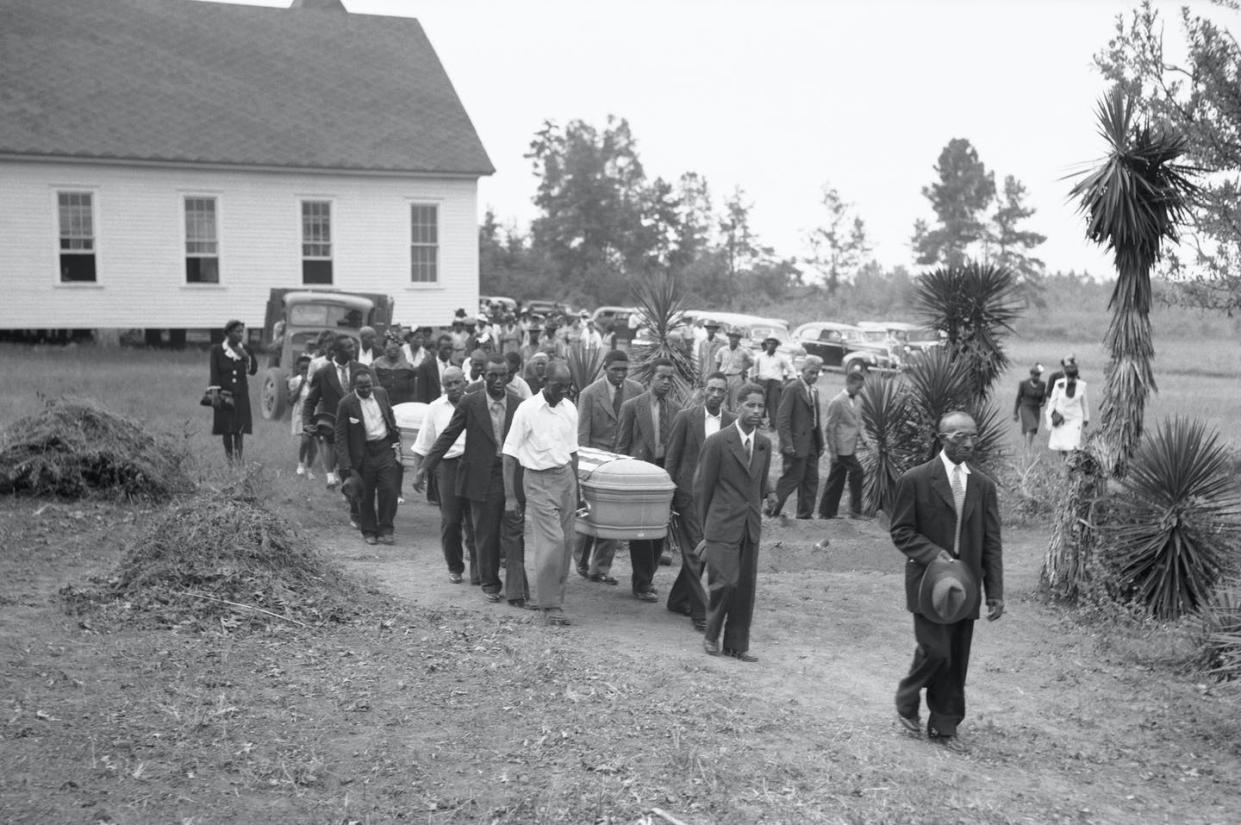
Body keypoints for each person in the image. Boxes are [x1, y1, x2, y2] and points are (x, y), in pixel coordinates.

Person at [892, 411, 1004, 750]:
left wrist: (994, 592)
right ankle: (907, 698)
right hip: (928, 583)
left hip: (966, 585)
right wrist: (932, 554)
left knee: (956, 656)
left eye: (973, 437)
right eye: (960, 438)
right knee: (935, 649)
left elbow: (991, 543)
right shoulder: (916, 479)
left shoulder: (983, 486)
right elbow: (901, 531)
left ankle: (945, 725)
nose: (968, 444)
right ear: (942, 438)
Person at [415, 355, 523, 604]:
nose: (498, 380)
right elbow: (448, 435)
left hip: (510, 474)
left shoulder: (520, 405)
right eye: (492, 375)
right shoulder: (470, 403)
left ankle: (517, 588)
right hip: (481, 476)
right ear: (483, 375)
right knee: (485, 532)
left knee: (513, 532)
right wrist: (425, 467)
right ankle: (490, 582)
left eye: (502, 375)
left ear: (509, 376)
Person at [696, 383, 775, 662]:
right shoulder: (718, 442)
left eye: (760, 406)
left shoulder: (764, 444)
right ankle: (711, 636)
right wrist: (705, 531)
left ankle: (737, 645)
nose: (756, 411)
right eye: (750, 405)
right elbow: (703, 489)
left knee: (744, 589)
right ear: (737, 406)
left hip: (749, 527)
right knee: (725, 583)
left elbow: (760, 485)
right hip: (721, 526)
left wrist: (769, 497)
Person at [503, 362, 582, 626]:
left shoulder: (569, 408)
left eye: (567, 386)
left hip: (566, 480)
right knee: (553, 542)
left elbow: (572, 452)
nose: (564, 391)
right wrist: (511, 496)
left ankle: (555, 602)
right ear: (543, 381)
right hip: (537, 480)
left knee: (567, 542)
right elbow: (509, 454)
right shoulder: (526, 410)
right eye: (558, 386)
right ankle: (549, 605)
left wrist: (577, 489)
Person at [665, 372, 735, 631]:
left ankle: (677, 599)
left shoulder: (731, 422)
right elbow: (672, 457)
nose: (716, 394)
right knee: (697, 554)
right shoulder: (686, 417)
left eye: (721, 391)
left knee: (705, 551)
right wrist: (669, 493)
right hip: (687, 496)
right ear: (704, 390)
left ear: (726, 395)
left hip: (717, 498)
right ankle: (701, 612)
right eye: (712, 389)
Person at [573, 349, 644, 584]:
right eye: (615, 369)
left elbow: (638, 430)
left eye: (624, 369)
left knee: (614, 516)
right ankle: (581, 560)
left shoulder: (636, 390)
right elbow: (582, 435)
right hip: (595, 464)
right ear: (605, 368)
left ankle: (600, 568)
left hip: (621, 463)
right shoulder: (589, 394)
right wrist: (583, 469)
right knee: (589, 515)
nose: (620, 374)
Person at [616, 358, 681, 602]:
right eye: (661, 377)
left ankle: (647, 577)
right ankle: (641, 583)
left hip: (665, 475)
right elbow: (622, 445)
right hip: (640, 474)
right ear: (650, 378)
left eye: (669, 378)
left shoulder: (675, 409)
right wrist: (622, 475)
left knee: (660, 529)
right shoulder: (633, 407)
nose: (666, 382)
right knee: (642, 531)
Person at [409, 367, 477, 584]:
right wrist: (419, 472)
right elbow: (423, 444)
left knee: (475, 519)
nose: (454, 388)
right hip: (446, 468)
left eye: (457, 382)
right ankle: (455, 566)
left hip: (474, 465)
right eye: (449, 384)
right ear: (443, 386)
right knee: (451, 520)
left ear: (465, 382)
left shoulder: (476, 403)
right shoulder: (435, 408)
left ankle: (479, 568)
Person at [334, 370, 402, 545]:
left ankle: (386, 528)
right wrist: (345, 464)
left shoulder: (381, 393)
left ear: (373, 384)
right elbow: (340, 436)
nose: (366, 389)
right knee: (366, 494)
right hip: (362, 453)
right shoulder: (346, 404)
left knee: (389, 489)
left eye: (368, 385)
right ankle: (369, 531)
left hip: (384, 448)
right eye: (361, 386)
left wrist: (395, 441)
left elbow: (389, 415)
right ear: (354, 386)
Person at [302, 333, 361, 491]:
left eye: (353, 345)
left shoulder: (362, 370)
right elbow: (310, 401)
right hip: (333, 421)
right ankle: (335, 480)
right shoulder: (323, 373)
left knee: (352, 460)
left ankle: (348, 489)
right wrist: (307, 423)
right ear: (337, 351)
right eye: (348, 347)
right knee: (336, 452)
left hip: (357, 424)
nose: (353, 349)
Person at [770, 355, 824, 519]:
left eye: (817, 373)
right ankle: (772, 511)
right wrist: (787, 444)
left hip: (812, 442)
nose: (814, 376)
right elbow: (782, 418)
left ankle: (805, 514)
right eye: (811, 372)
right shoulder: (793, 388)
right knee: (791, 478)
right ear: (802, 371)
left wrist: (820, 443)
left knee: (811, 479)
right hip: (795, 444)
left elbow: (816, 419)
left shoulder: (814, 391)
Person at [207, 319, 259, 464]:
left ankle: (238, 459)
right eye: (237, 332)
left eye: (242, 331)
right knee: (226, 429)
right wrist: (215, 393)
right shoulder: (217, 350)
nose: (240, 334)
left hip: (241, 395)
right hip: (224, 395)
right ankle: (230, 460)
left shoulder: (246, 349)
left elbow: (253, 371)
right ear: (229, 333)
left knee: (239, 429)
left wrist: (246, 357)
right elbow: (214, 372)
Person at [820, 371, 868, 519]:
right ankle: (855, 510)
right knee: (857, 472)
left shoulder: (858, 400)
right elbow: (830, 427)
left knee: (836, 478)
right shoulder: (837, 402)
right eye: (858, 387)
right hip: (841, 448)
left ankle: (827, 512)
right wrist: (833, 451)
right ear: (849, 383)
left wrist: (866, 441)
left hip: (850, 446)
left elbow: (859, 423)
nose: (859, 390)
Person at [1045, 361, 1089, 454]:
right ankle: (1063, 465)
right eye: (1068, 377)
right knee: (1061, 445)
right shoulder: (1059, 384)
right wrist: (1049, 418)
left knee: (1073, 444)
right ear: (1065, 375)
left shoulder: (1082, 385)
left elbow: (1085, 403)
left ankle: (1072, 465)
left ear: (1076, 376)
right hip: (1061, 418)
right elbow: (1052, 402)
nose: (1070, 380)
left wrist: (1086, 418)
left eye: (1073, 378)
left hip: (1075, 418)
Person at [753, 336, 795, 426]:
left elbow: (791, 370)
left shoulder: (781, 358)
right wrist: (755, 380)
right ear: (766, 344)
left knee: (773, 404)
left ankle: (774, 424)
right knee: (760, 402)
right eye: (769, 343)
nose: (771, 346)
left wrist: (786, 382)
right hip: (762, 381)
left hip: (775, 383)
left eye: (773, 344)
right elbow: (755, 370)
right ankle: (757, 423)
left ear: (776, 346)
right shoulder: (760, 357)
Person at [288, 354, 318, 479]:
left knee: (313, 444)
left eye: (307, 369)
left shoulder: (315, 381)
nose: (305, 371)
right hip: (300, 414)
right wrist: (301, 385)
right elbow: (291, 400)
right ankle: (301, 464)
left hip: (314, 414)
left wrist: (310, 384)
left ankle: (310, 468)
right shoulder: (294, 381)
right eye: (302, 368)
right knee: (305, 439)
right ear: (298, 369)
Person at [714, 328, 754, 411]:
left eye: (736, 337)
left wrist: (744, 370)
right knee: (722, 400)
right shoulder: (722, 350)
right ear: (729, 338)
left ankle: (733, 420)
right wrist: (720, 374)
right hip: (724, 377)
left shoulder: (743, 351)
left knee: (734, 402)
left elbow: (751, 362)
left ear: (739, 339)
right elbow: (718, 362)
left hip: (736, 377)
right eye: (732, 337)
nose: (734, 339)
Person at [371, 333, 417, 405]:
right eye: (390, 345)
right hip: (381, 406)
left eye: (396, 345)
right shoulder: (375, 365)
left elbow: (412, 392)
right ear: (384, 348)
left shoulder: (408, 368)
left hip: (402, 408)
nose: (393, 347)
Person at [1013, 363, 1048, 451]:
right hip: (1026, 407)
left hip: (1036, 409)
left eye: (1038, 375)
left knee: (1032, 429)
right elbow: (1018, 397)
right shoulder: (1024, 384)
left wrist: (1043, 402)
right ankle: (1028, 449)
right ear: (1031, 374)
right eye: (1034, 375)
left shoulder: (1042, 384)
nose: (1036, 377)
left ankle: (1027, 446)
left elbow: (1043, 397)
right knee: (1031, 426)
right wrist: (1015, 412)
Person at [415, 334, 455, 404]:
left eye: (450, 348)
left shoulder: (455, 367)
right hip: (434, 406)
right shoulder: (426, 368)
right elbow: (421, 394)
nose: (448, 351)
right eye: (445, 348)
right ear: (437, 348)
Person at [696, 320, 725, 386]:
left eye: (713, 328)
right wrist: (699, 375)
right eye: (709, 328)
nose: (711, 330)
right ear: (706, 329)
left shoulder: (721, 343)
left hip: (716, 376)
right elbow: (700, 361)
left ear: (716, 330)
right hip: (704, 375)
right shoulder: (702, 343)